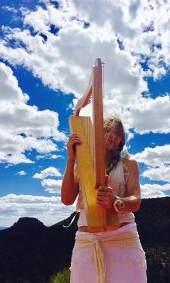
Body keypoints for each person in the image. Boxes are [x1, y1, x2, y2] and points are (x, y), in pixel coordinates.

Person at [61, 116, 147, 283]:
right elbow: (66, 199)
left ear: (120, 141)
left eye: (117, 135)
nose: (111, 137)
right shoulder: (81, 166)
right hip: (87, 243)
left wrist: (115, 201)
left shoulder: (128, 164)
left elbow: (136, 201)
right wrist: (71, 159)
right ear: (96, 135)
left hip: (123, 240)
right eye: (107, 131)